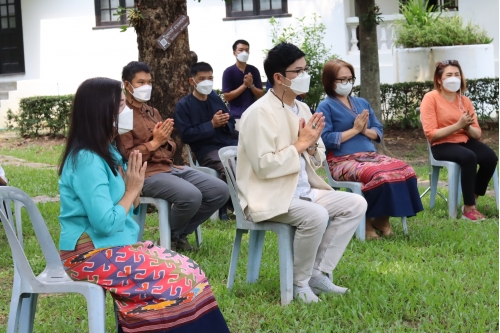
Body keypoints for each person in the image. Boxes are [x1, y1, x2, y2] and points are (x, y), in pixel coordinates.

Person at [58, 77, 230, 333]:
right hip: (90, 254)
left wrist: (133, 188)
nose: (126, 109)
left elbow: (133, 204)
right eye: (119, 105)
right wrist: (132, 188)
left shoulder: (110, 151)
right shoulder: (87, 160)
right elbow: (105, 223)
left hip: (115, 246)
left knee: (190, 269)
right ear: (100, 112)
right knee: (176, 280)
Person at [237, 42, 367, 303]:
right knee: (317, 216)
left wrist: (309, 147)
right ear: (279, 77)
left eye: (306, 69)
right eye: (298, 71)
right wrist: (300, 144)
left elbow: (317, 157)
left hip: (303, 189)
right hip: (268, 194)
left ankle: (318, 273)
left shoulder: (303, 108)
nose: (305, 76)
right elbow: (263, 166)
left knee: (355, 203)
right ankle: (298, 284)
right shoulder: (258, 113)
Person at [118, 61, 229, 251]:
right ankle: (169, 240)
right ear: (127, 85)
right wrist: (154, 143)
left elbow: (170, 147)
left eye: (149, 82)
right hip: (145, 174)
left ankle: (176, 236)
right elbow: (128, 156)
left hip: (170, 167)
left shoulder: (153, 112)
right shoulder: (121, 115)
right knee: (190, 195)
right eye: (140, 83)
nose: (146, 87)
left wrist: (164, 140)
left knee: (219, 190)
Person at [318, 59, 423, 239]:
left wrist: (365, 130)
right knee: (376, 175)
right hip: (342, 160)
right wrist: (354, 130)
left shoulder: (362, 103)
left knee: (405, 170)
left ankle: (382, 219)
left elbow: (378, 130)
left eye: (350, 79)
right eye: (341, 80)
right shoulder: (325, 106)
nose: (347, 83)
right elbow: (324, 139)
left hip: (370, 156)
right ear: (330, 81)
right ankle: (365, 224)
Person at [420, 60, 498, 221]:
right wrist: (458, 125)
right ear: (440, 79)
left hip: (464, 141)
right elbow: (431, 134)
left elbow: (476, 135)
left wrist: (467, 127)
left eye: (457, 74)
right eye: (449, 75)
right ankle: (469, 209)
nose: (454, 78)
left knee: (490, 157)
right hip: (441, 144)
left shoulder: (465, 101)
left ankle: (473, 199)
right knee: (468, 157)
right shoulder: (430, 98)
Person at [174, 62, 238, 220]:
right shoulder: (183, 106)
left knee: (251, 158)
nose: (207, 82)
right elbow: (186, 135)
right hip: (207, 151)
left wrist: (224, 122)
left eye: (210, 78)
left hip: (228, 144)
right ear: (192, 81)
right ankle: (229, 206)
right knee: (228, 166)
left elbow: (230, 123)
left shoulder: (215, 98)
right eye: (202, 79)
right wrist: (211, 125)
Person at [222, 39, 264, 130]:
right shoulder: (228, 72)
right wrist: (244, 86)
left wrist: (251, 86)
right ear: (234, 53)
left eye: (246, 50)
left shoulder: (254, 70)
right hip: (236, 117)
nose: (244, 52)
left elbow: (260, 94)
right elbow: (227, 96)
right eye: (241, 50)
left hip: (253, 115)